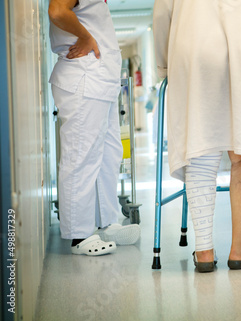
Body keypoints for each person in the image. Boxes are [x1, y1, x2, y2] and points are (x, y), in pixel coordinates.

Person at [153, 0, 241, 272]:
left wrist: (165, 64)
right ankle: (240, 250)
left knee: (200, 145)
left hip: (193, 42)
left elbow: (162, 13)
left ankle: (204, 251)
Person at [48, 0, 140, 256]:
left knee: (108, 154)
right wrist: (86, 37)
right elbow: (57, 11)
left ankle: (107, 221)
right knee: (81, 156)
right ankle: (80, 235)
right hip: (84, 79)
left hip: (101, 82)